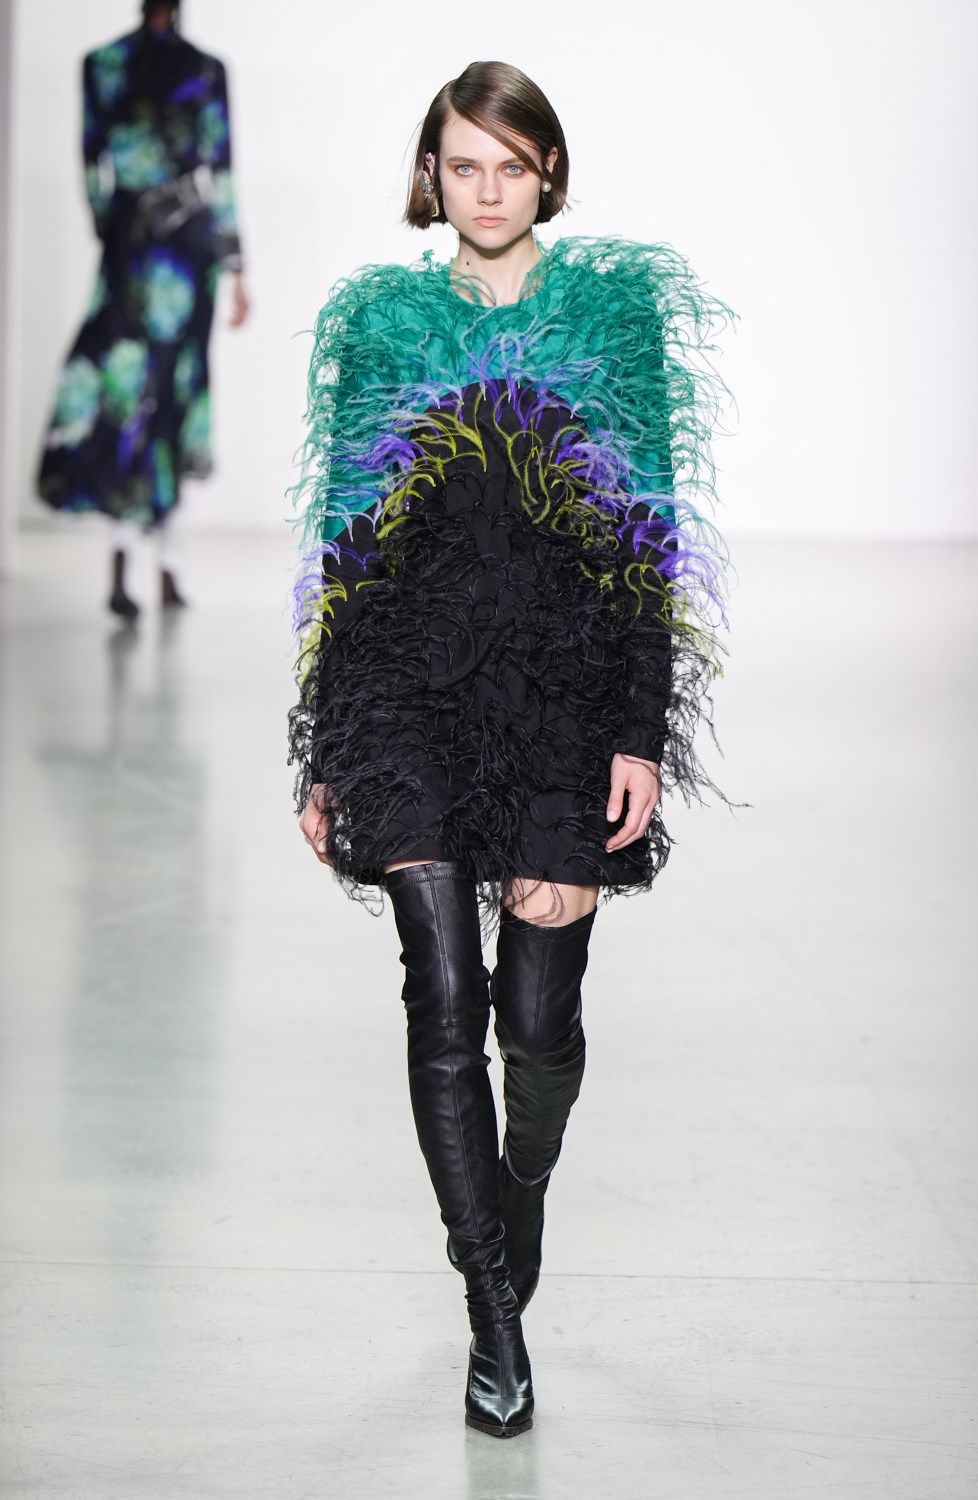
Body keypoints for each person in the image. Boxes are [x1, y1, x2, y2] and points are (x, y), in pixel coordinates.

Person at [291, 61, 732, 1438]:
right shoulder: (385, 326)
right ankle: (494, 1311)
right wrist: (325, 747)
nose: (487, 190)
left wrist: (636, 730)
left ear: (548, 174)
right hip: (403, 692)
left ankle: (513, 1196)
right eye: (464, 165)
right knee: (441, 999)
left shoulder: (610, 320)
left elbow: (646, 533)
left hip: (560, 697)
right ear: (433, 176)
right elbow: (349, 543)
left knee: (536, 1024)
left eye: (512, 165)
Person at [37, 0, 248, 618]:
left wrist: (114, 228)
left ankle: (144, 567)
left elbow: (93, 164)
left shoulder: (108, 65)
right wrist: (235, 265)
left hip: (142, 248)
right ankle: (155, 568)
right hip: (180, 249)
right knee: (160, 394)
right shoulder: (199, 69)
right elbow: (220, 173)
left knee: (140, 394)